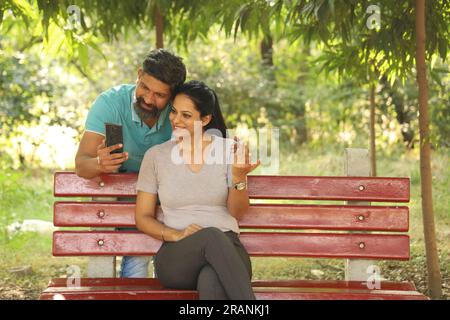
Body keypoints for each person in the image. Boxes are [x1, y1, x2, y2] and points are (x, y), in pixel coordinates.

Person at [135, 80, 260, 299]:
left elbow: (237, 213)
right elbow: (143, 217)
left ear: (205, 119)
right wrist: (175, 234)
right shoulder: (156, 156)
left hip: (228, 249)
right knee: (210, 235)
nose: (175, 120)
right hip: (178, 255)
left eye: (186, 115)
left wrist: (239, 177)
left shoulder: (228, 150)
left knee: (211, 280)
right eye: (174, 112)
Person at [75, 49, 187, 278]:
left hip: (167, 196)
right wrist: (99, 163)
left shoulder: (180, 114)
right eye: (144, 87)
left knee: (164, 257)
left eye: (159, 95)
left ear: (172, 96)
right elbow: (81, 164)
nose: (147, 99)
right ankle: (117, 284)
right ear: (138, 75)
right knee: (138, 253)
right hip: (122, 196)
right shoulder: (111, 103)